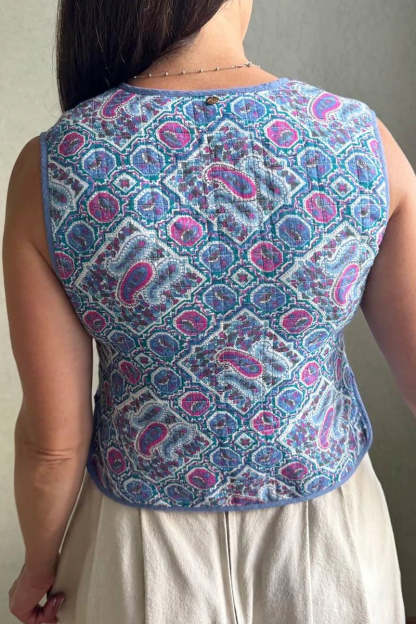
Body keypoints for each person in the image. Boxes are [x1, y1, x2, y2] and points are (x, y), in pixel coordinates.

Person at [3, 0, 415, 622]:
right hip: (330, 537)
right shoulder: (360, 140)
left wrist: (38, 565)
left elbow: (54, 445)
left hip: (138, 548)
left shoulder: (54, 165)